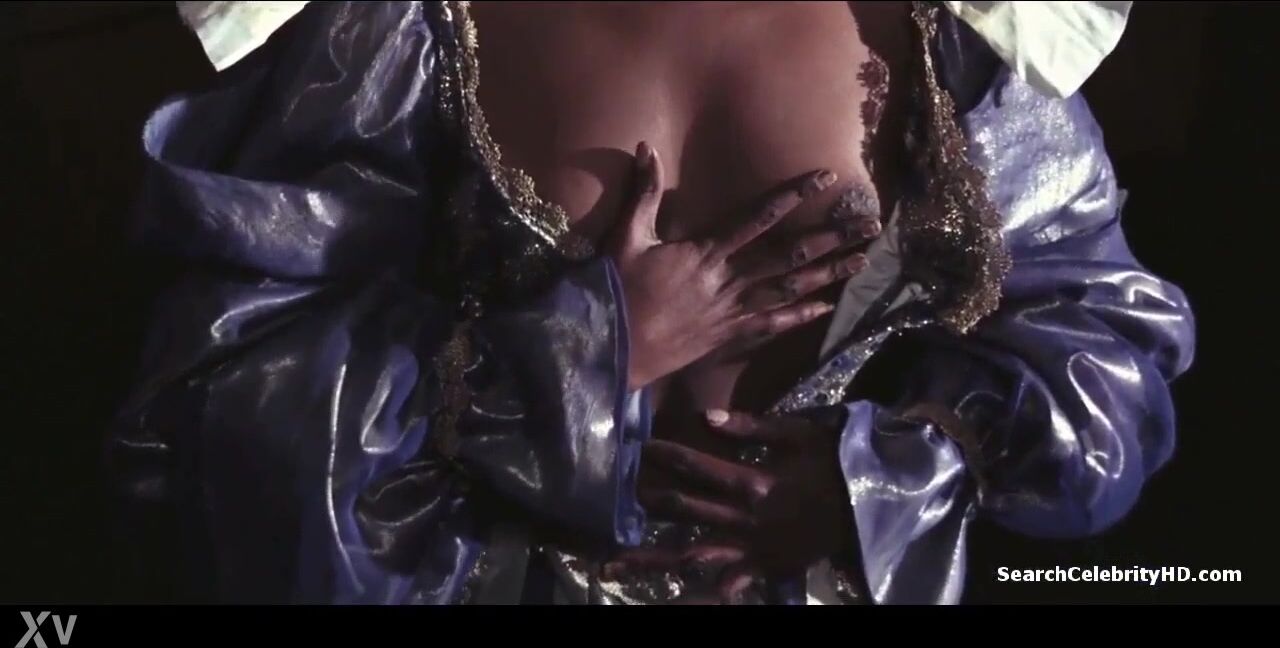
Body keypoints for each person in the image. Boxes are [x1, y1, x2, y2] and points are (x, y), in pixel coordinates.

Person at [108, 0, 1195, 604]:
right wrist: (577, 357)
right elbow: (232, 406)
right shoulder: (397, 30)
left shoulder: (945, 35)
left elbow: (1102, 346)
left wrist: (876, 485)